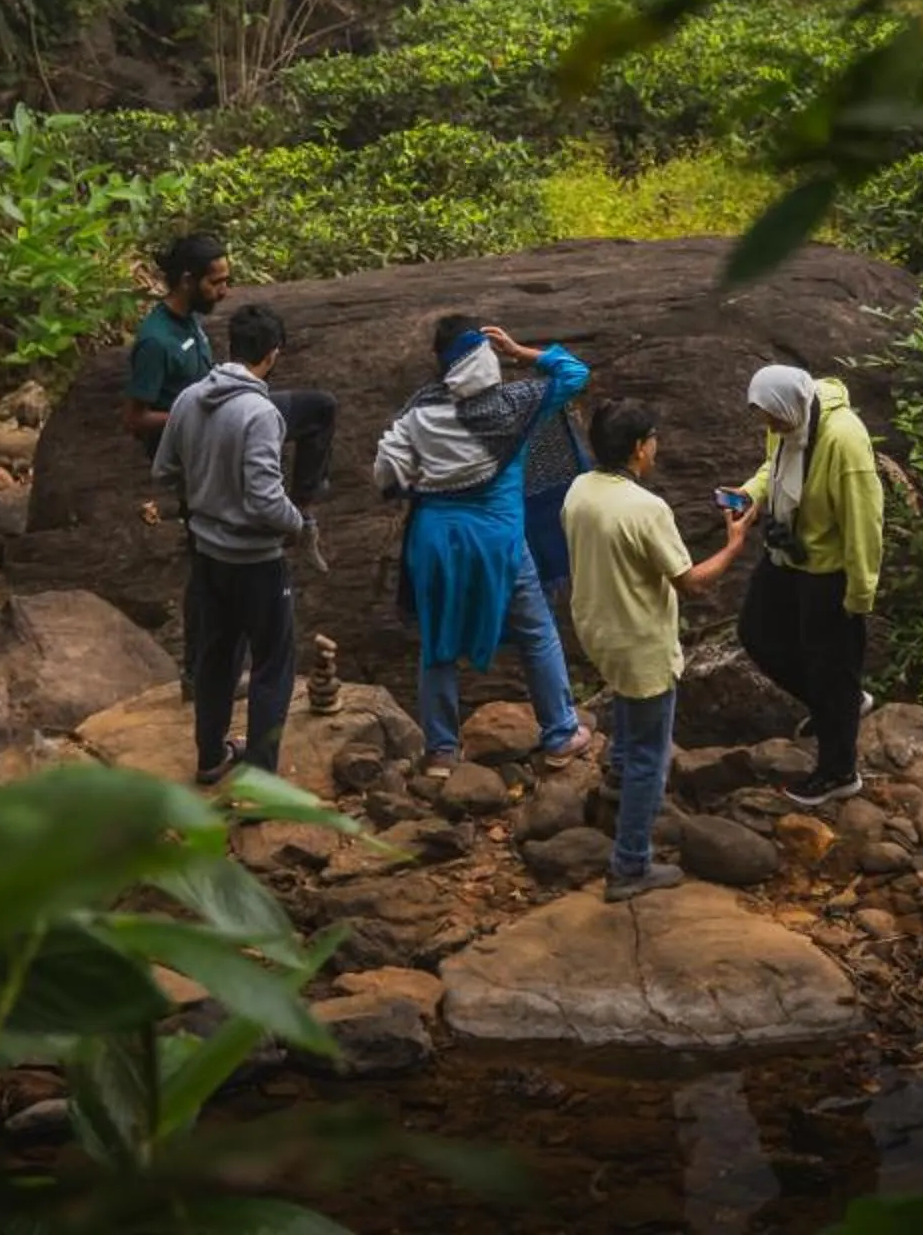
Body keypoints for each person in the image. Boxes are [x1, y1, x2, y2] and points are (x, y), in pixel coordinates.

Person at [374, 314, 597, 776]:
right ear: (485, 354)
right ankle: (559, 734)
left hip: (434, 540)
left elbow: (386, 474)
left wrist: (423, 477)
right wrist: (523, 352)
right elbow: (575, 373)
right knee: (536, 632)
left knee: (438, 641)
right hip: (500, 540)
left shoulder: (418, 411)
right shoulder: (517, 402)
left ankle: (440, 750)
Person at [127, 233, 335, 709]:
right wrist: (192, 410)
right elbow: (134, 418)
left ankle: (301, 512)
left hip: (227, 419)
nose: (225, 291)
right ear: (187, 280)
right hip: (198, 452)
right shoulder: (156, 340)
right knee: (208, 568)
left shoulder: (192, 322)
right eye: (217, 282)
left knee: (318, 408)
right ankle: (199, 674)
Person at [564, 399, 753, 902]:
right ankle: (630, 865)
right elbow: (691, 583)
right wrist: (734, 544)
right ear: (638, 449)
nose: (656, 446)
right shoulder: (646, 509)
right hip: (640, 643)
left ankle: (615, 783)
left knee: (627, 713)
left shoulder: (581, 488)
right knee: (652, 755)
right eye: (652, 439)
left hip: (597, 630)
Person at [151, 303, 310, 785]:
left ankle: (210, 759)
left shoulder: (189, 399)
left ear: (232, 347)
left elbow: (163, 470)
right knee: (272, 664)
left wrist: (205, 489)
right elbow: (265, 499)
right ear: (273, 354)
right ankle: (261, 776)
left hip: (207, 556)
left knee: (216, 659)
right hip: (256, 561)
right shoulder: (259, 412)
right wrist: (298, 523)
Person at [734, 364, 885, 807]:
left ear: (792, 406)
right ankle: (839, 702)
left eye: (773, 418)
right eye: (765, 418)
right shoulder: (789, 417)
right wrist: (750, 493)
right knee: (756, 633)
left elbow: (865, 520)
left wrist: (859, 594)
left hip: (828, 570)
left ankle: (838, 772)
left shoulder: (845, 439)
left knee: (831, 664)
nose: (771, 427)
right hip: (786, 554)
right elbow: (776, 464)